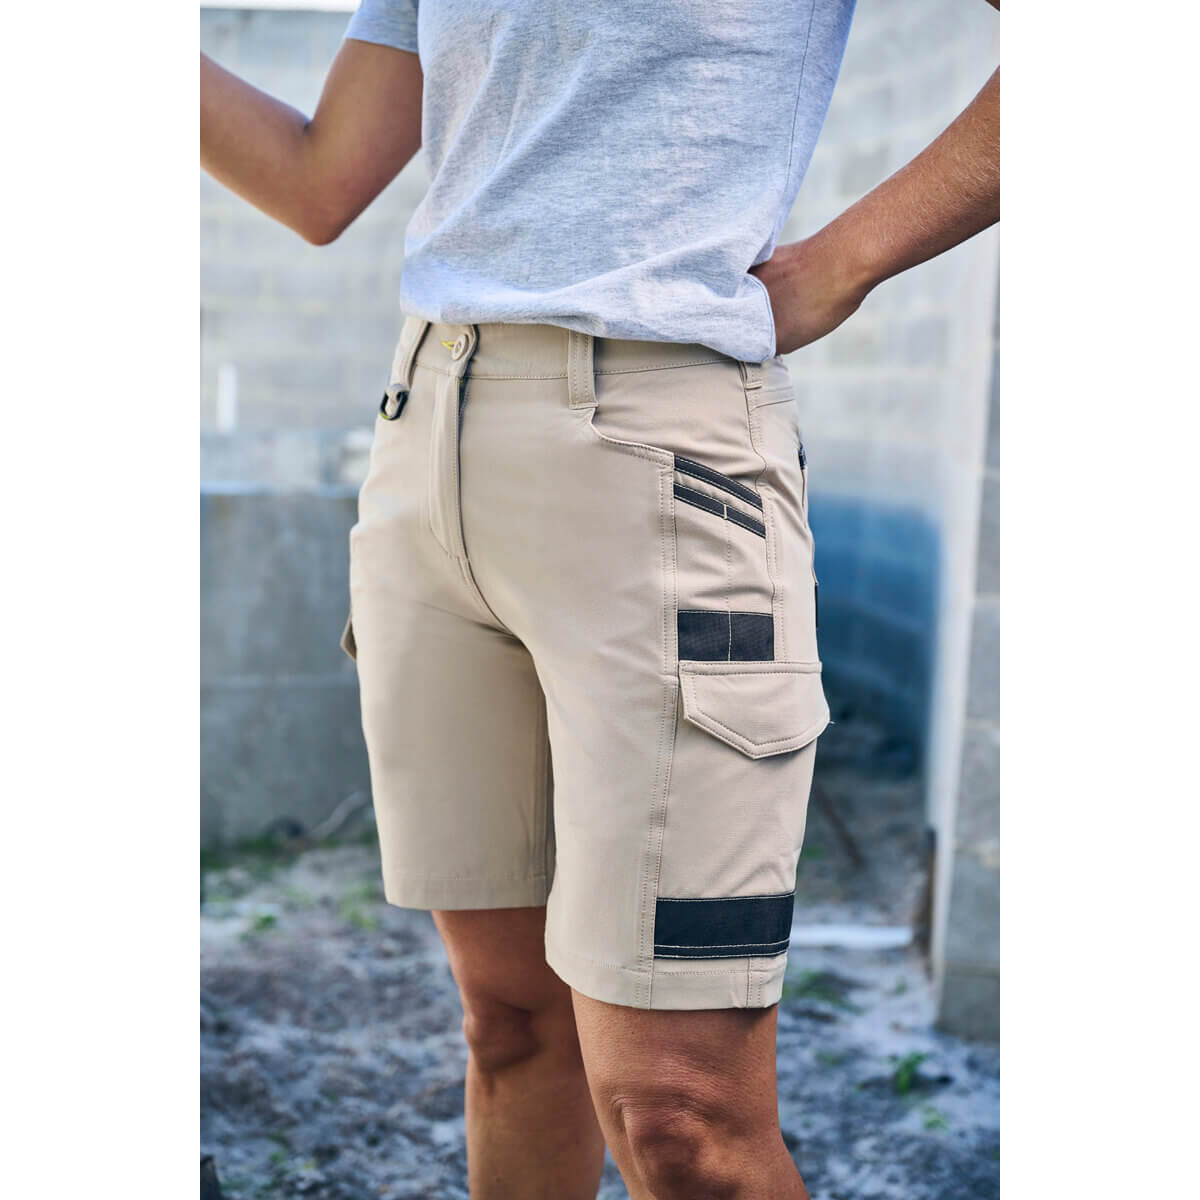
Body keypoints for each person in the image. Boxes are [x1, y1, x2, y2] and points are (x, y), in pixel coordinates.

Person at [200, 1, 999, 1195]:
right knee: (512, 1032)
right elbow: (319, 179)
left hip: (662, 456)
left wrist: (847, 258)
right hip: (429, 437)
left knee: (684, 1117)